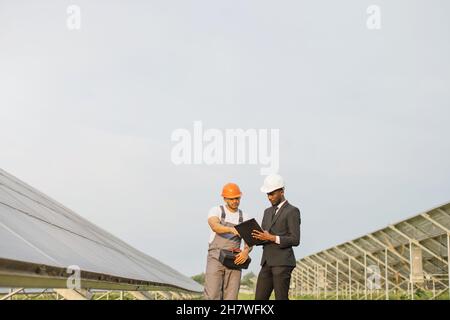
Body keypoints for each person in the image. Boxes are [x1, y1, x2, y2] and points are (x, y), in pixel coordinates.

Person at [252, 174, 301, 300]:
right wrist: (254, 237)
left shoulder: (292, 211)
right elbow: (264, 236)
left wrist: (272, 238)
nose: (269, 197)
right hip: (266, 262)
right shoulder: (267, 212)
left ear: (282, 191)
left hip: (283, 262)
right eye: (268, 194)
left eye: (272, 193)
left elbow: (295, 239)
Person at [204, 182, 252, 300]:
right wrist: (232, 230)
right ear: (225, 198)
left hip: (234, 260)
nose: (235, 201)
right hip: (216, 258)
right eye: (232, 199)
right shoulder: (216, 211)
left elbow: (250, 240)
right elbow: (214, 226)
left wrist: (246, 252)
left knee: (231, 295)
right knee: (212, 293)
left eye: (237, 198)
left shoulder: (244, 217)